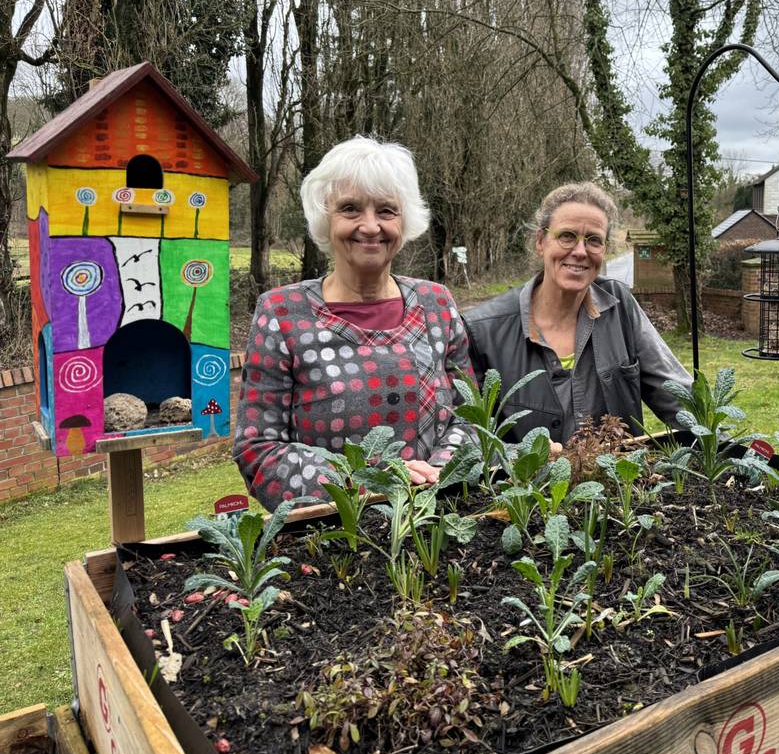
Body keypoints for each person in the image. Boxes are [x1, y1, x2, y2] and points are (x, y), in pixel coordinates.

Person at [233, 137, 474, 509]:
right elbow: (258, 448)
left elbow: (470, 418)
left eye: (387, 211)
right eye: (350, 209)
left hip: (437, 518)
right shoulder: (282, 313)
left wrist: (439, 473)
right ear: (325, 218)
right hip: (335, 539)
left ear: (405, 219)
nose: (370, 225)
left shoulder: (437, 304)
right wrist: (363, 485)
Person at [464, 182, 690, 445]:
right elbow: (466, 436)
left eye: (594, 240)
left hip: (622, 483)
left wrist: (727, 452)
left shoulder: (619, 307)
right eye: (567, 236)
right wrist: (518, 454)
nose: (580, 252)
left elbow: (678, 395)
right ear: (541, 241)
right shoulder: (482, 331)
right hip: (528, 484)